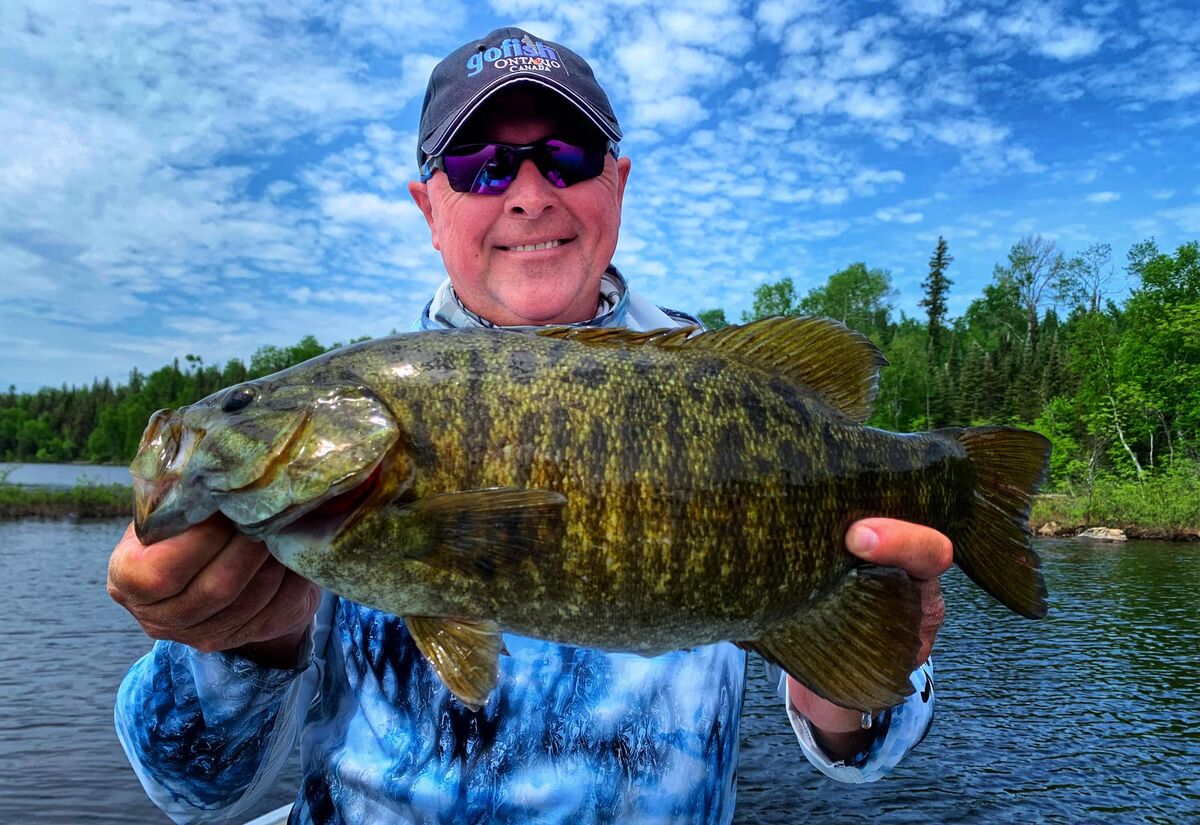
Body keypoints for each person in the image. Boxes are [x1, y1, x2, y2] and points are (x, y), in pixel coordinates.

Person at [109, 27, 952, 824]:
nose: (528, 194)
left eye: (567, 155)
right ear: (427, 206)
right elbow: (187, 785)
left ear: (616, 183)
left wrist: (851, 671)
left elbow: (861, 756)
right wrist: (242, 640)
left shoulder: (724, 384)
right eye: (479, 164)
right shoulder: (345, 434)